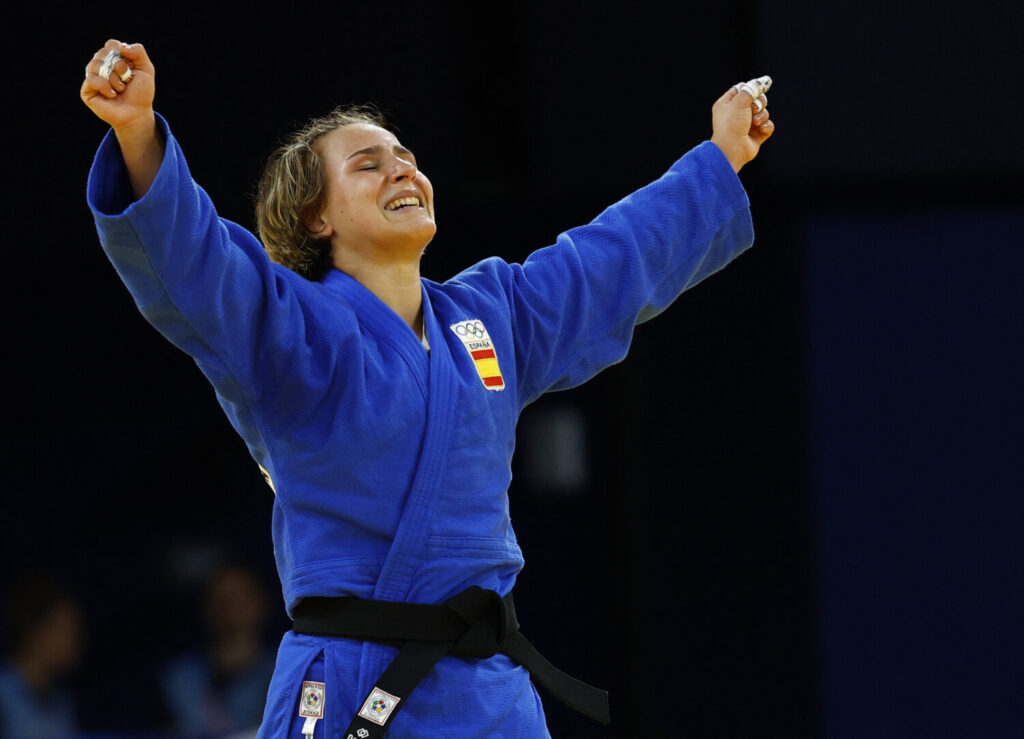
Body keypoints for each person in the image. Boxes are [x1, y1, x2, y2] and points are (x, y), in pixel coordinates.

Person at [81, 38, 774, 738]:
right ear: (316, 216)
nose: (402, 169)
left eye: (406, 157)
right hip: (351, 685)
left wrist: (719, 160)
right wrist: (138, 132)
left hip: (488, 699)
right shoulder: (288, 329)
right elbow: (196, 258)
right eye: (368, 164)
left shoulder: (490, 316)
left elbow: (611, 259)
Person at [160, 564, 278, 737]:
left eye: (240, 598)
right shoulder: (180, 676)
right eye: (222, 599)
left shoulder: (286, 670)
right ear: (206, 608)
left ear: (261, 603)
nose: (231, 608)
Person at [0, 575, 84, 738]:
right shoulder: (4, 698)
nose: (75, 640)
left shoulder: (62, 702)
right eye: (64, 630)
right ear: (35, 631)